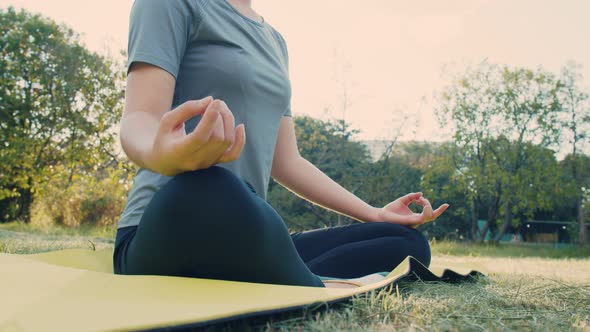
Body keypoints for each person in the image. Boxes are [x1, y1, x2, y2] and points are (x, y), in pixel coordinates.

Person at [113, 0, 449, 288]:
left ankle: (284, 275)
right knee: (212, 185)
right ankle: (311, 287)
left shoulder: (274, 40)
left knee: (405, 244)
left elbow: (287, 161)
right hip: (169, 223)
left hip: (245, 228)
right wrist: (166, 155)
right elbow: (139, 118)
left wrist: (374, 214)